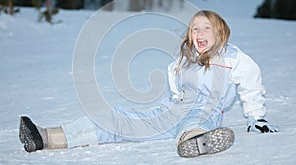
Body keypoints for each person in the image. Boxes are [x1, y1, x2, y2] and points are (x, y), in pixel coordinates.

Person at [19, 10, 278, 158]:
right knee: (117, 119)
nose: (199, 34)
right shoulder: (185, 58)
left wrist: (256, 117)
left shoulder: (232, 57)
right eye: (194, 29)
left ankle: (196, 140)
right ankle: (46, 137)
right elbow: (174, 84)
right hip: (171, 111)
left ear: (220, 31)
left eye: (206, 28)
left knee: (195, 122)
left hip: (205, 112)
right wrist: (172, 102)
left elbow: (251, 82)